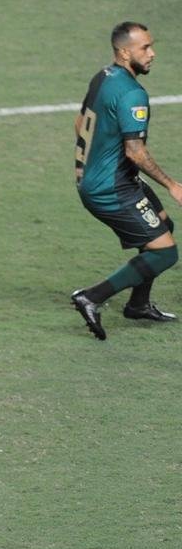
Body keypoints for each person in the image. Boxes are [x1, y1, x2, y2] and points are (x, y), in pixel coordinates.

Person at [71, 21, 182, 340]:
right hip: (111, 187)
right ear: (123, 52)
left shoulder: (103, 76)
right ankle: (91, 297)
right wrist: (172, 184)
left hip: (106, 179)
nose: (152, 53)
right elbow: (135, 152)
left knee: (163, 228)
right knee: (165, 253)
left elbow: (80, 122)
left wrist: (88, 165)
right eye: (144, 48)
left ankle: (138, 305)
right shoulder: (133, 93)